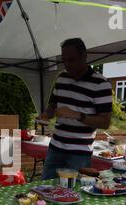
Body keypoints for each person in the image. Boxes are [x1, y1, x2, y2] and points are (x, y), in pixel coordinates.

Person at [40, 38, 112, 180]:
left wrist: (78, 115)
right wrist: (46, 115)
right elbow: (52, 107)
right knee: (46, 189)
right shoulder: (61, 79)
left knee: (73, 194)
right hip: (55, 148)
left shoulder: (100, 84)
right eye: (64, 60)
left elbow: (105, 122)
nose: (67, 65)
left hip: (79, 153)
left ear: (84, 56)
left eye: (71, 60)